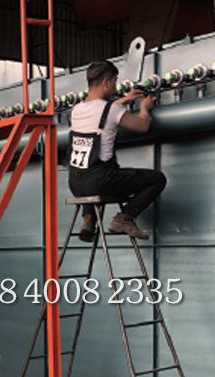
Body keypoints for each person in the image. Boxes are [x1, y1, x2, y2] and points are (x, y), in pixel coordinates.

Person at [67, 60, 166, 241]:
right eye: (114, 81)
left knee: (89, 178)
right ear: (106, 82)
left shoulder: (76, 110)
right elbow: (142, 126)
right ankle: (125, 217)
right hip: (100, 181)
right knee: (157, 179)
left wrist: (126, 99)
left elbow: (103, 112)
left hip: (75, 184)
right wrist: (144, 108)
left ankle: (88, 218)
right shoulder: (112, 109)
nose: (115, 86)